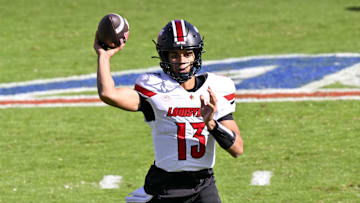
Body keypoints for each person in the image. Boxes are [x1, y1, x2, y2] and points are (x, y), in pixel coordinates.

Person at [94, 19, 243, 203]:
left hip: (204, 183)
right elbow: (108, 94)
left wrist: (210, 123)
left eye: (187, 53)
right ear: (164, 57)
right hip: (166, 185)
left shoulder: (218, 88)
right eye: (174, 55)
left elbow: (237, 149)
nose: (181, 61)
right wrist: (104, 56)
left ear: (196, 54)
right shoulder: (153, 87)